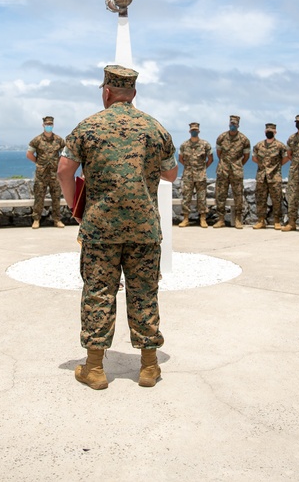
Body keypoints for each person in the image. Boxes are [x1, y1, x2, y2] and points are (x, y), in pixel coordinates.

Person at [57, 65, 177, 390]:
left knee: (98, 293)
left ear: (106, 92)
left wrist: (76, 208)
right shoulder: (155, 128)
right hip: (145, 230)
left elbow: (64, 171)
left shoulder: (88, 127)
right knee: (144, 294)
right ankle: (149, 366)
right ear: (134, 93)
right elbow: (171, 174)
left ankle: (94, 369)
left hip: (100, 228)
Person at [27, 116, 66, 229]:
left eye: (50, 124)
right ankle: (36, 220)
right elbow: (29, 154)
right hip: (41, 174)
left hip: (54, 174)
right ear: (43, 125)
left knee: (56, 197)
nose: (49, 126)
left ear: (53, 125)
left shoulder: (59, 140)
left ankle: (57, 220)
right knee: (39, 197)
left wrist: (58, 163)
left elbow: (64, 154)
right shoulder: (37, 140)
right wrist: (39, 163)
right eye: (47, 124)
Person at [213, 115, 251, 229]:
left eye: (234, 124)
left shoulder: (244, 139)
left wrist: (237, 165)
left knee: (238, 195)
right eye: (231, 124)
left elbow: (246, 156)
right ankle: (220, 219)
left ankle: (238, 219)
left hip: (236, 171)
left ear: (238, 125)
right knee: (220, 195)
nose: (232, 126)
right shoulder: (222, 137)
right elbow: (219, 153)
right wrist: (225, 163)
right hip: (223, 170)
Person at [252, 123, 288, 229]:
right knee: (260, 199)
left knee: (277, 199)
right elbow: (254, 158)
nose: (269, 132)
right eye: (267, 131)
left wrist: (276, 166)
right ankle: (261, 220)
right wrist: (263, 165)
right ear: (264, 131)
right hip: (261, 176)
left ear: (275, 132)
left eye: (271, 131)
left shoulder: (280, 146)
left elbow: (286, 158)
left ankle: (277, 221)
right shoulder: (258, 145)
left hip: (275, 176)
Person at [178, 122, 213, 228]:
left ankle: (203, 219)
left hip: (200, 175)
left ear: (198, 131)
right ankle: (185, 219)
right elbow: (180, 158)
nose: (194, 132)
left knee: (202, 197)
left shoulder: (205, 144)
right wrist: (189, 167)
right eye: (192, 130)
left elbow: (210, 158)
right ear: (190, 131)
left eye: (195, 130)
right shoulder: (184, 145)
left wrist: (203, 168)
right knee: (186, 197)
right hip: (188, 175)